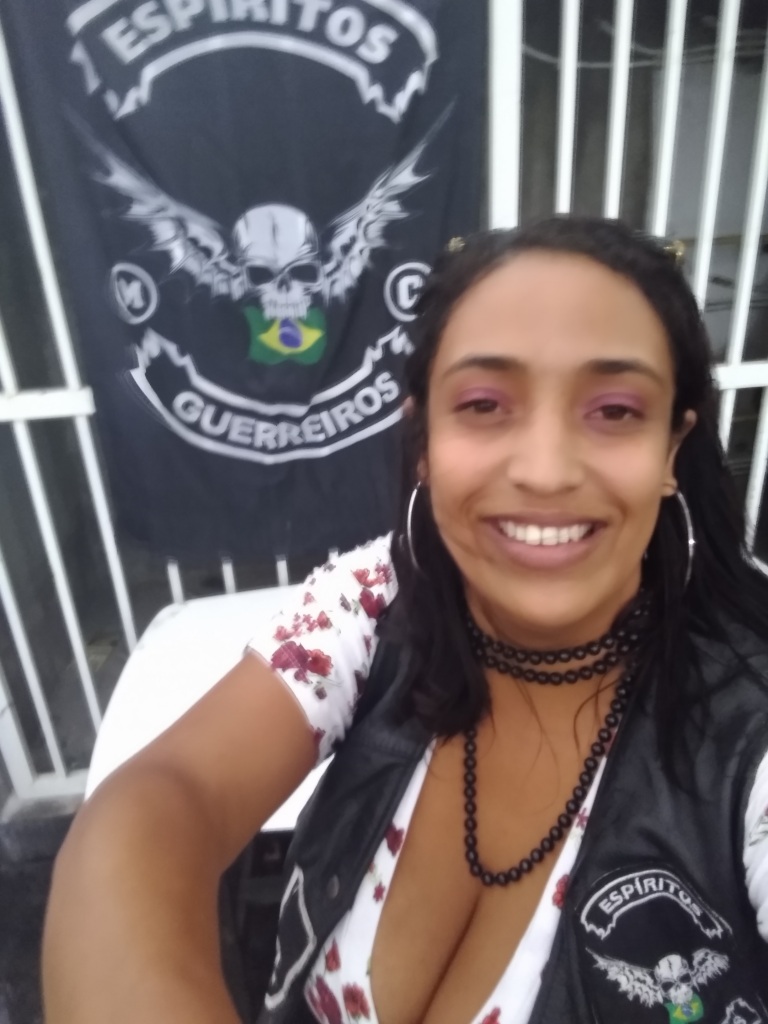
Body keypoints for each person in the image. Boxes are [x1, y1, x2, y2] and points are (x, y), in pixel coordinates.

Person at [43, 217, 768, 1024]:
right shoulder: (374, 600)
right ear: (424, 438)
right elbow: (155, 808)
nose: (545, 470)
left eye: (616, 411)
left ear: (673, 448)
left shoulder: (751, 729)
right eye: (484, 404)